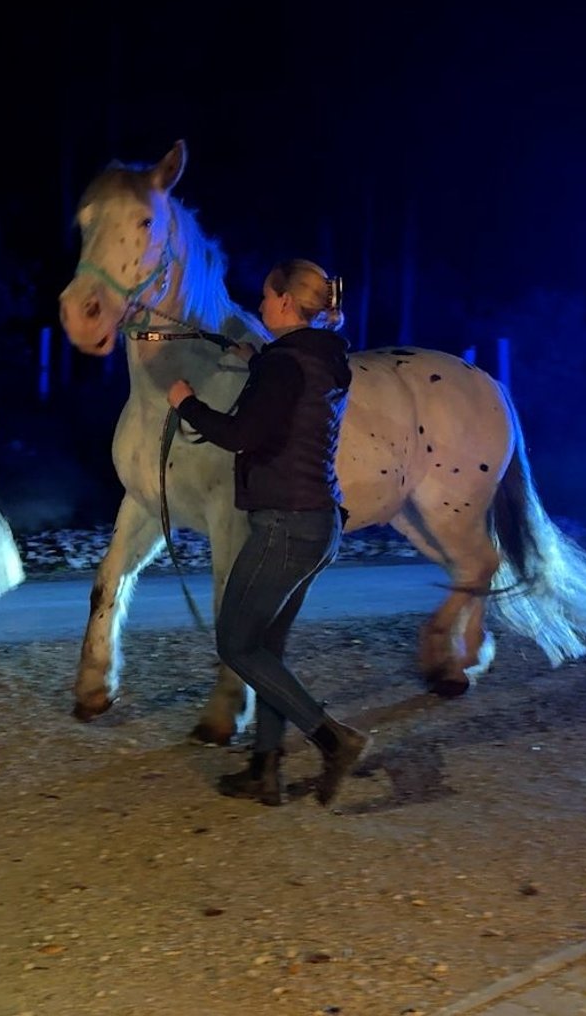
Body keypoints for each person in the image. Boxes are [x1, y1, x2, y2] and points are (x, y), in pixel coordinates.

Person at [167, 257, 369, 806]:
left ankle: (334, 740)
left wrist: (187, 404)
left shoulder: (286, 365)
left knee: (235, 643)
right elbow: (289, 398)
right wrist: (256, 358)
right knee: (267, 650)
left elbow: (242, 434)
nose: (258, 305)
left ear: (284, 302)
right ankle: (265, 770)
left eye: (264, 297)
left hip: (284, 526)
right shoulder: (320, 357)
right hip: (318, 523)